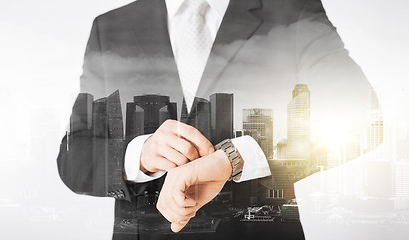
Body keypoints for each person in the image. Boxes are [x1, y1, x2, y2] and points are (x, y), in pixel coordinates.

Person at [57, 0, 375, 239]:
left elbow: (362, 117)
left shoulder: (294, 12)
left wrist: (233, 159)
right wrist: (139, 154)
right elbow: (74, 157)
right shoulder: (112, 27)